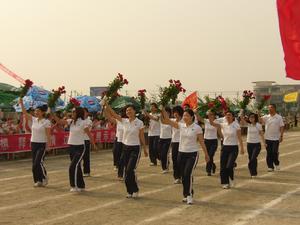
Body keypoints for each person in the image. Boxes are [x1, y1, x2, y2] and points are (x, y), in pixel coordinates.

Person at [162, 108, 210, 205]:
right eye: (184, 116)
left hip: (192, 154)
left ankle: (189, 195)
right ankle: (186, 194)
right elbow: (166, 120)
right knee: (184, 176)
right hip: (181, 153)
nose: (185, 117)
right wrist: (162, 109)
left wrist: (206, 154)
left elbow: (201, 142)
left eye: (187, 115)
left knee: (188, 173)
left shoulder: (197, 128)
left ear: (192, 117)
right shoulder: (180, 125)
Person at [104, 102, 148, 198]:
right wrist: (107, 105)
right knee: (125, 171)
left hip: (135, 148)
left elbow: (141, 136)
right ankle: (129, 191)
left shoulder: (139, 122)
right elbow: (113, 114)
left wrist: (144, 148)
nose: (128, 111)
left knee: (130, 170)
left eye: (130, 110)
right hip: (125, 148)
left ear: (134, 111)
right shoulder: (124, 121)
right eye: (127, 110)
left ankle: (135, 190)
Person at [56, 107, 95, 192]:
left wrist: (94, 145)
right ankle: (81, 185)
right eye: (72, 112)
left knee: (72, 167)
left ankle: (74, 185)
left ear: (78, 113)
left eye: (74, 112)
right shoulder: (71, 121)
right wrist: (51, 111)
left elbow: (89, 134)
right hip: (71, 146)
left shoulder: (83, 123)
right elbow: (59, 121)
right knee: (77, 167)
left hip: (80, 147)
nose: (72, 113)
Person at [20, 98, 51, 187]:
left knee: (38, 162)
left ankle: (44, 177)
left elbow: (48, 135)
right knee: (34, 164)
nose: (36, 113)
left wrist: (48, 145)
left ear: (42, 112)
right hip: (34, 143)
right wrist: (21, 103)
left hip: (42, 144)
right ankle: (38, 180)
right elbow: (25, 113)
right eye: (35, 111)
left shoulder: (46, 122)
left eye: (38, 111)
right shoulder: (34, 119)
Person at [210, 111, 245, 189]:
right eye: (226, 115)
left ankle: (231, 178)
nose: (227, 116)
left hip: (233, 148)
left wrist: (242, 148)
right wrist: (210, 115)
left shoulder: (236, 125)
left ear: (233, 117)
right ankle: (225, 183)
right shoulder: (223, 124)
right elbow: (212, 123)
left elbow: (239, 138)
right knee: (223, 167)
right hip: (225, 147)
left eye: (229, 115)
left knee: (229, 166)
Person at [194, 110, 222, 176]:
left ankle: (209, 169)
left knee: (210, 155)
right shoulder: (206, 121)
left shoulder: (216, 122)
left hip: (214, 141)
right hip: (206, 141)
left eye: (211, 114)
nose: (210, 116)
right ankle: (211, 166)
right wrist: (196, 112)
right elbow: (199, 118)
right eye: (209, 114)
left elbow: (219, 132)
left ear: (214, 115)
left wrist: (223, 137)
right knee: (208, 155)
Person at [161, 105, 184, 184]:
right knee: (175, 160)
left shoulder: (184, 121)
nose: (175, 114)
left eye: (177, 112)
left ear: (180, 113)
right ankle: (177, 177)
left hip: (182, 143)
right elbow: (164, 120)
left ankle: (181, 175)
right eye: (174, 112)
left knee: (180, 160)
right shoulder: (173, 120)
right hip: (174, 143)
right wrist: (162, 110)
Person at [259, 104, 284, 172]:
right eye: (269, 108)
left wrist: (281, 136)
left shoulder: (279, 117)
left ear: (274, 108)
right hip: (267, 138)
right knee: (269, 153)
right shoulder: (266, 117)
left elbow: (282, 127)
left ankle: (276, 163)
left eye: (271, 108)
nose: (269, 109)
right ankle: (270, 166)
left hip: (276, 138)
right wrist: (258, 112)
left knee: (274, 152)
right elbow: (259, 120)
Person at [240, 113, 265, 178]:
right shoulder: (248, 124)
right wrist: (242, 112)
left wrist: (264, 143)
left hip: (257, 144)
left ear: (255, 118)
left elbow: (261, 134)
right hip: (249, 144)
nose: (251, 118)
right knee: (251, 158)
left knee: (253, 158)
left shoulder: (258, 125)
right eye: (250, 117)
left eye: (253, 117)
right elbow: (242, 121)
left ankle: (252, 169)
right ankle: (253, 173)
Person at [158, 107, 172, 173]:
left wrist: (163, 110)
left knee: (164, 154)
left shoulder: (171, 121)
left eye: (167, 113)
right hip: (161, 138)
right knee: (161, 154)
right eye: (165, 112)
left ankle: (165, 168)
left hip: (168, 139)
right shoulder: (161, 120)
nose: (166, 114)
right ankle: (166, 162)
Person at [83, 108, 93, 177]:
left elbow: (86, 130)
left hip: (86, 140)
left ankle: (87, 171)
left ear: (87, 113)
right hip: (79, 140)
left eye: (84, 112)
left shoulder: (89, 121)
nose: (83, 113)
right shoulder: (79, 120)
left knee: (86, 157)